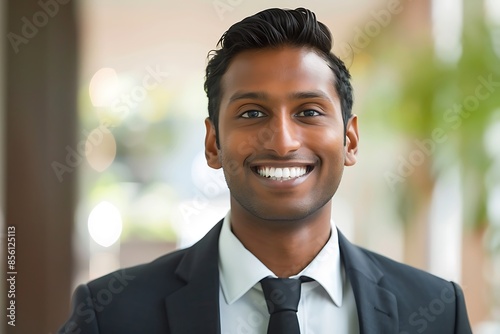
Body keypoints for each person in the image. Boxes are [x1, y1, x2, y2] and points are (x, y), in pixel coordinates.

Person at [59, 7, 472, 334]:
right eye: (252, 112)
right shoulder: (110, 313)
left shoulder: (437, 311)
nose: (282, 141)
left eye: (309, 111)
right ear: (213, 143)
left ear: (350, 141)